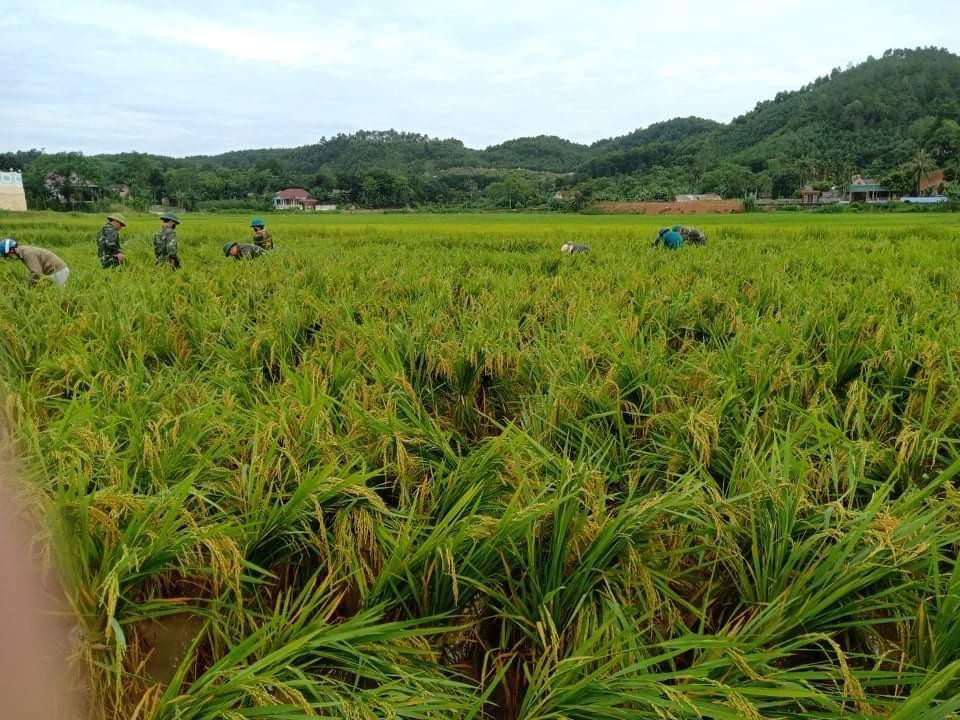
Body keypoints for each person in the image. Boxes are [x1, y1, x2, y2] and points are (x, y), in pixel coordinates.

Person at [1, 238, 70, 287]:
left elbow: (37, 273)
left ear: (12, 250)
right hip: (57, 271)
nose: (8, 258)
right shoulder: (23, 252)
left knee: (50, 292)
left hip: (58, 272)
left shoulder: (27, 254)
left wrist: (28, 286)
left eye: (7, 256)